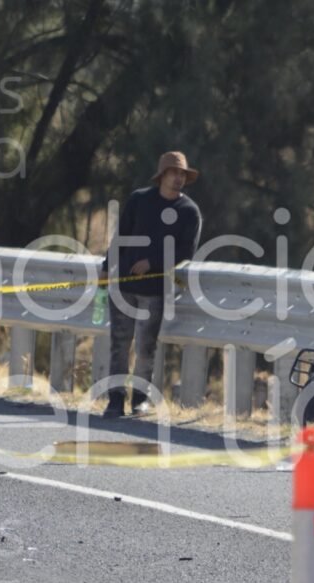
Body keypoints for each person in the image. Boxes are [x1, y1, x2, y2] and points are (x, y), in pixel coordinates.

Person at [102, 151, 202, 418]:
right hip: (123, 286)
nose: (179, 178)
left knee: (146, 347)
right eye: (174, 173)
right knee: (119, 344)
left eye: (183, 174)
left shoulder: (189, 212)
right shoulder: (139, 200)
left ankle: (140, 400)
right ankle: (114, 400)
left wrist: (152, 263)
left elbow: (185, 251)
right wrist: (105, 267)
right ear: (162, 176)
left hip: (155, 290)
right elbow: (120, 236)